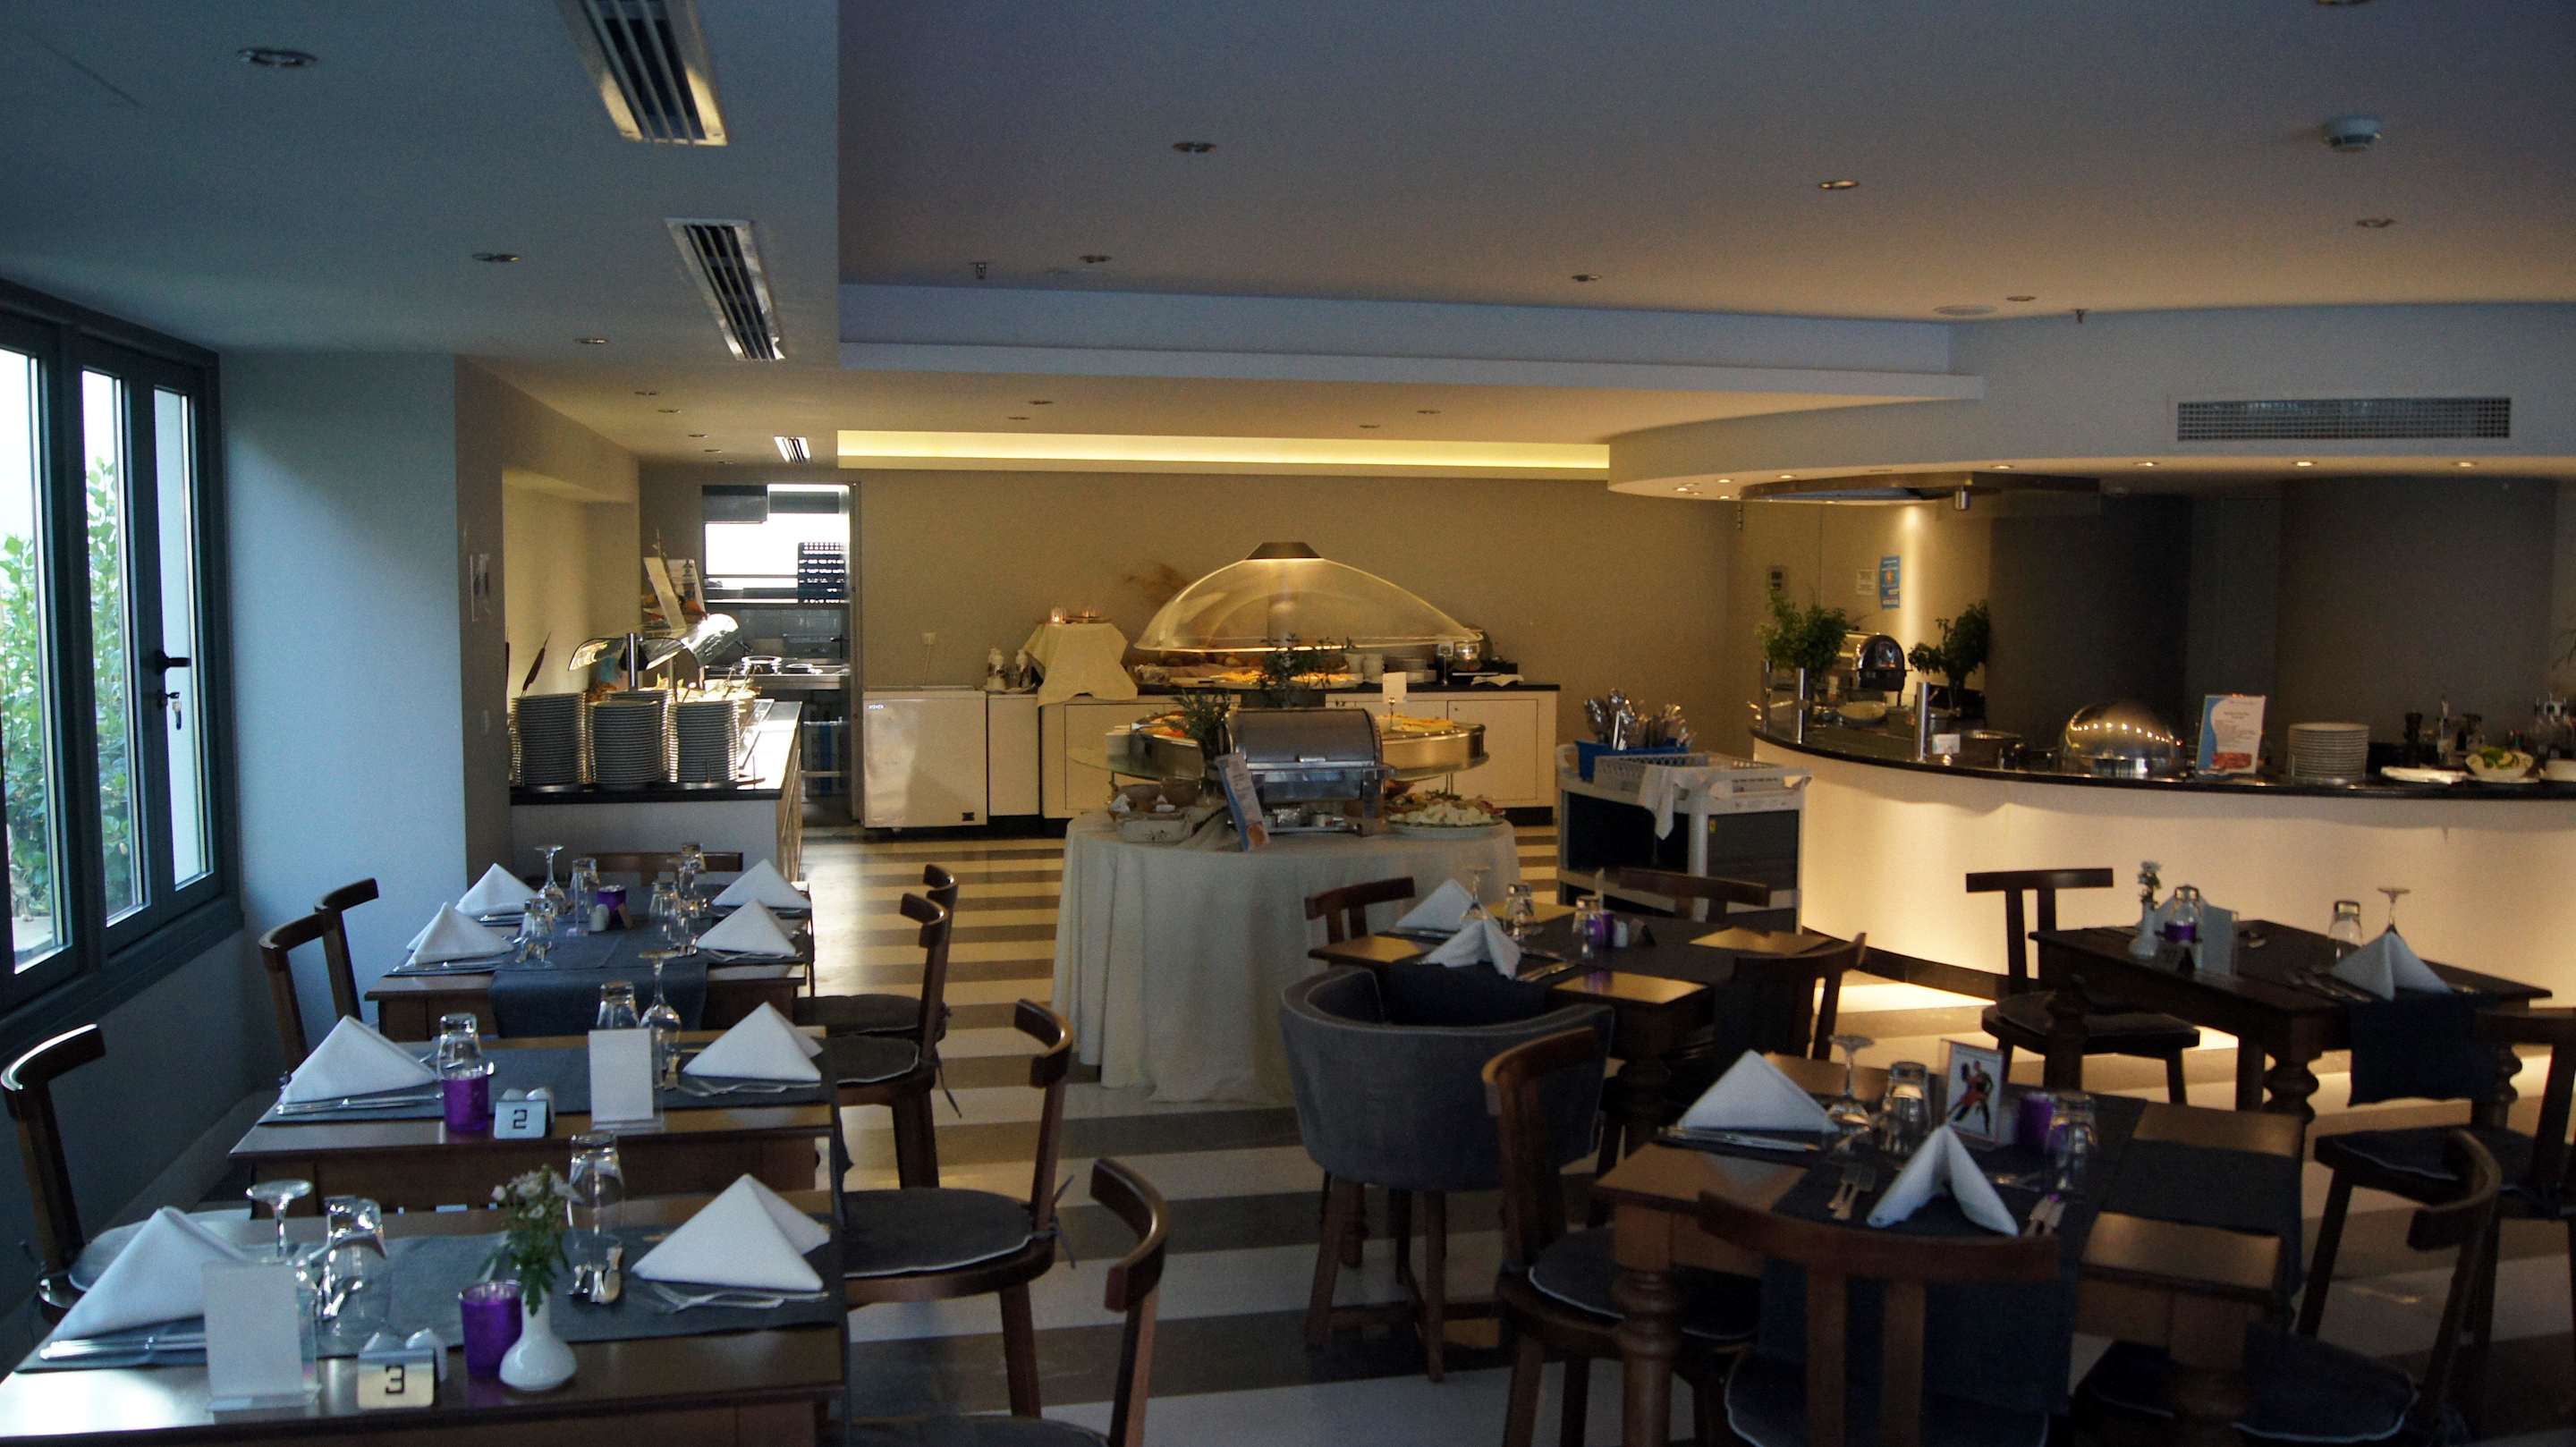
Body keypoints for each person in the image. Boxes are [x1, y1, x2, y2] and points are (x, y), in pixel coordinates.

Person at [1949, 1059, 1995, 1134]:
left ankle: (1987, 1130)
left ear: (1979, 1066)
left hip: (1980, 1095)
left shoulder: (1984, 1074)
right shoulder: (1975, 1076)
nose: (1975, 1067)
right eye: (1975, 1066)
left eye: (1976, 1065)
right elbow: (1970, 1083)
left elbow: (1991, 1085)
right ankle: (1954, 1120)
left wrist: (1987, 1093)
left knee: (1986, 1113)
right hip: (1974, 1095)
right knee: (1963, 1107)